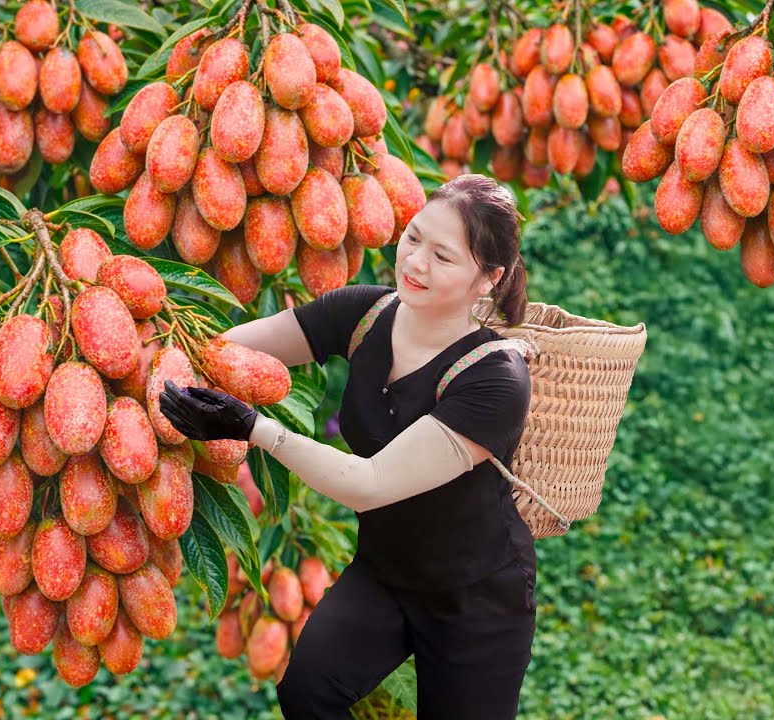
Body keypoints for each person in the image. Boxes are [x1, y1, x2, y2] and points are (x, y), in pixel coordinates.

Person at [158, 174, 536, 719]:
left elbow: (370, 484)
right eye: (413, 238)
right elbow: (223, 353)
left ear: (488, 279)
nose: (415, 263)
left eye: (443, 257)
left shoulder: (497, 379)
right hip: (384, 574)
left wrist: (254, 428)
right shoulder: (364, 313)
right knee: (307, 693)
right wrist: (149, 342)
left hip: (476, 599)